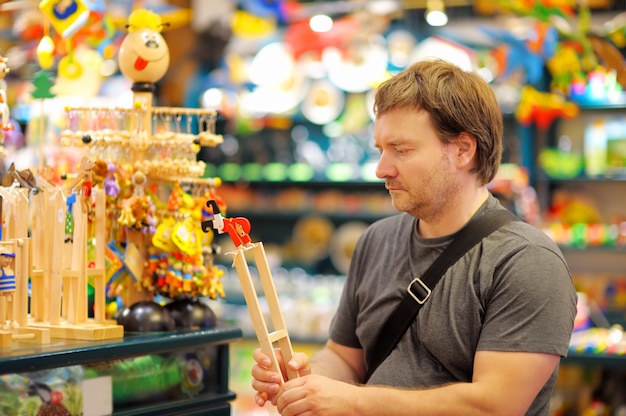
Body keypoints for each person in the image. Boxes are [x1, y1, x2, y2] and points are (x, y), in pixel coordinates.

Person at [250, 58, 578, 416]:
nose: (381, 169)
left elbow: (493, 407)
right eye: (380, 150)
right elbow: (344, 357)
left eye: (401, 150)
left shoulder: (527, 262)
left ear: (463, 151)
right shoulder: (376, 240)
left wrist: (352, 401)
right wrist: (306, 382)